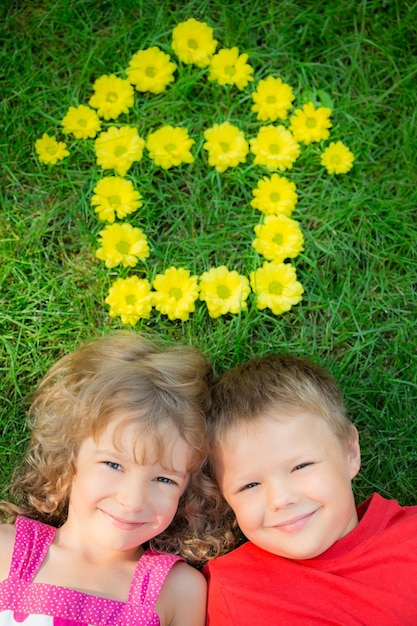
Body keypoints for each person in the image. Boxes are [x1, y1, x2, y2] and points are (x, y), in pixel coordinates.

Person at [0, 330, 222, 626]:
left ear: (187, 491)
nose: (132, 500)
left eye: (164, 480)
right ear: (70, 459)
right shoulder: (8, 550)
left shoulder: (179, 591)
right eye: (113, 465)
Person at [203, 353, 417, 625]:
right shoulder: (231, 589)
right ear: (223, 496)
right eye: (250, 485)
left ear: (350, 453)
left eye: (301, 466)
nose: (281, 499)